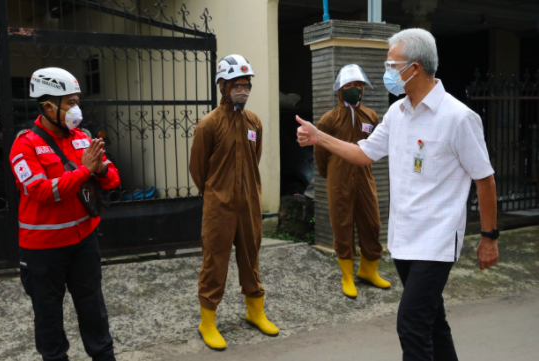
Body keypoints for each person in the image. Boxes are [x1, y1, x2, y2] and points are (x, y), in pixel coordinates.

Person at [296, 29, 499, 361]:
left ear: (414, 68)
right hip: (404, 238)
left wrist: (490, 237)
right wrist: (319, 137)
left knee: (411, 325)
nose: (387, 72)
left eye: (392, 64)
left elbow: (485, 179)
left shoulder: (459, 117)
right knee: (433, 322)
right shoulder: (398, 113)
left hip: (437, 239)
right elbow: (363, 153)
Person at [9, 67, 121, 361]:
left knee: (93, 308)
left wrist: (101, 168)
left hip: (83, 242)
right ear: (47, 107)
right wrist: (86, 170)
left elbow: (113, 180)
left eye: (76, 101)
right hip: (43, 250)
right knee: (48, 318)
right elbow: (42, 191)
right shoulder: (25, 144)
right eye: (70, 103)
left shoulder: (83, 137)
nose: (76, 109)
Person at [189, 54, 279, 351]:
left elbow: (256, 158)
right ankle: (208, 321)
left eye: (247, 84)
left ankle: (255, 311)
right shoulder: (208, 124)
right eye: (237, 85)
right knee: (215, 260)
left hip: (250, 202)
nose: (243, 90)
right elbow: (197, 169)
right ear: (223, 87)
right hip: (219, 204)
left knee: (251, 255)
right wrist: (216, 191)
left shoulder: (254, 121)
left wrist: (248, 190)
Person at [315, 64, 391, 299]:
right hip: (338, 180)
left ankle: (368, 270)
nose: (354, 89)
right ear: (340, 89)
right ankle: (347, 275)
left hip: (365, 177)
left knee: (372, 222)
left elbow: (376, 147)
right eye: (349, 85)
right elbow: (320, 153)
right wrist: (333, 175)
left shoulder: (371, 116)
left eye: (358, 85)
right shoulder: (329, 119)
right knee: (343, 224)